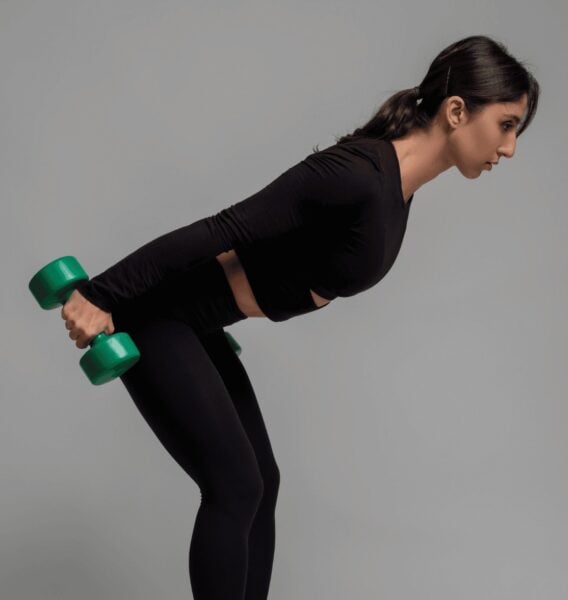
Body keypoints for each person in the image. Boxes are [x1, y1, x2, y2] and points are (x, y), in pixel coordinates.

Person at [60, 34, 539, 600]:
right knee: (235, 487)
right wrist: (102, 293)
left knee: (263, 484)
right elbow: (223, 228)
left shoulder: (398, 191)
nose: (509, 149)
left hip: (198, 323)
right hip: (158, 315)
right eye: (507, 125)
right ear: (458, 111)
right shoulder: (359, 174)